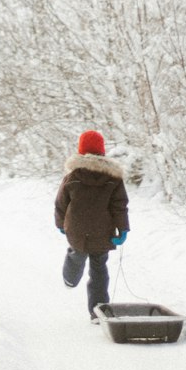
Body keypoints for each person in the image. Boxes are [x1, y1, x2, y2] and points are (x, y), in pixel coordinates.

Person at [54, 129, 129, 321]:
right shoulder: (113, 178)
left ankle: (70, 278)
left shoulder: (73, 176)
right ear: (102, 151)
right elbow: (119, 206)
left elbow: (61, 203)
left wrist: (61, 223)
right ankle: (98, 310)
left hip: (76, 229)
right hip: (102, 231)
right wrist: (123, 229)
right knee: (99, 269)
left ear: (81, 151)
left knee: (76, 253)